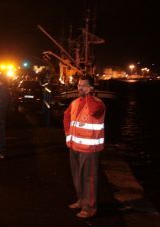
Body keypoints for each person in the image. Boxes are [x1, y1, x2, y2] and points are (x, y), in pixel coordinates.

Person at [63, 74, 106, 218]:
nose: (79, 87)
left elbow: (94, 111)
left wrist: (88, 96)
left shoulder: (98, 103)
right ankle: (81, 201)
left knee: (89, 178)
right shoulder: (75, 102)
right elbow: (66, 116)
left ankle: (90, 208)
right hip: (75, 147)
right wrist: (68, 136)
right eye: (79, 85)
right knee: (77, 176)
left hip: (89, 149)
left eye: (83, 85)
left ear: (90, 88)